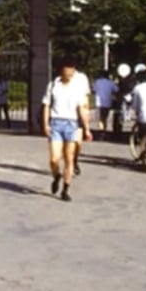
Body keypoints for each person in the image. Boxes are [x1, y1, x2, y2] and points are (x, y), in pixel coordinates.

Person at [41, 57, 93, 202]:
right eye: (68, 69)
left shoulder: (77, 88)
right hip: (56, 123)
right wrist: (46, 124)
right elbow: (46, 105)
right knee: (54, 159)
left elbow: (82, 108)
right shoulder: (53, 85)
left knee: (69, 158)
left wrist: (87, 128)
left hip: (72, 124)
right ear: (61, 70)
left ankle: (65, 189)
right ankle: (56, 175)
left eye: (72, 70)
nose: (70, 73)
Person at [92, 70, 118, 136]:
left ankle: (102, 130)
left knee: (100, 117)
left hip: (99, 103)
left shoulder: (97, 82)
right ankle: (104, 130)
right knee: (105, 117)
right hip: (107, 103)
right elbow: (116, 90)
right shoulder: (110, 83)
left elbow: (94, 90)